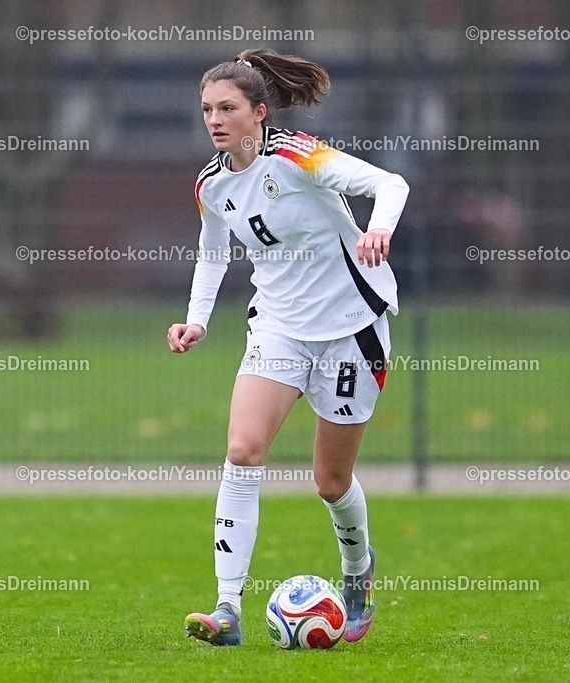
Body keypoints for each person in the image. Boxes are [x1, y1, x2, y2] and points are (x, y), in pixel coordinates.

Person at [167, 48, 409, 647]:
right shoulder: (212, 184)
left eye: (227, 108)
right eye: (206, 110)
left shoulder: (300, 157)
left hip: (353, 328)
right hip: (277, 329)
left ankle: (357, 575)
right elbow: (213, 252)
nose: (215, 120)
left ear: (258, 111)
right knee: (243, 451)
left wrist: (378, 227)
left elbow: (390, 182)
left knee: (330, 481)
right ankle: (227, 610)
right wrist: (196, 321)